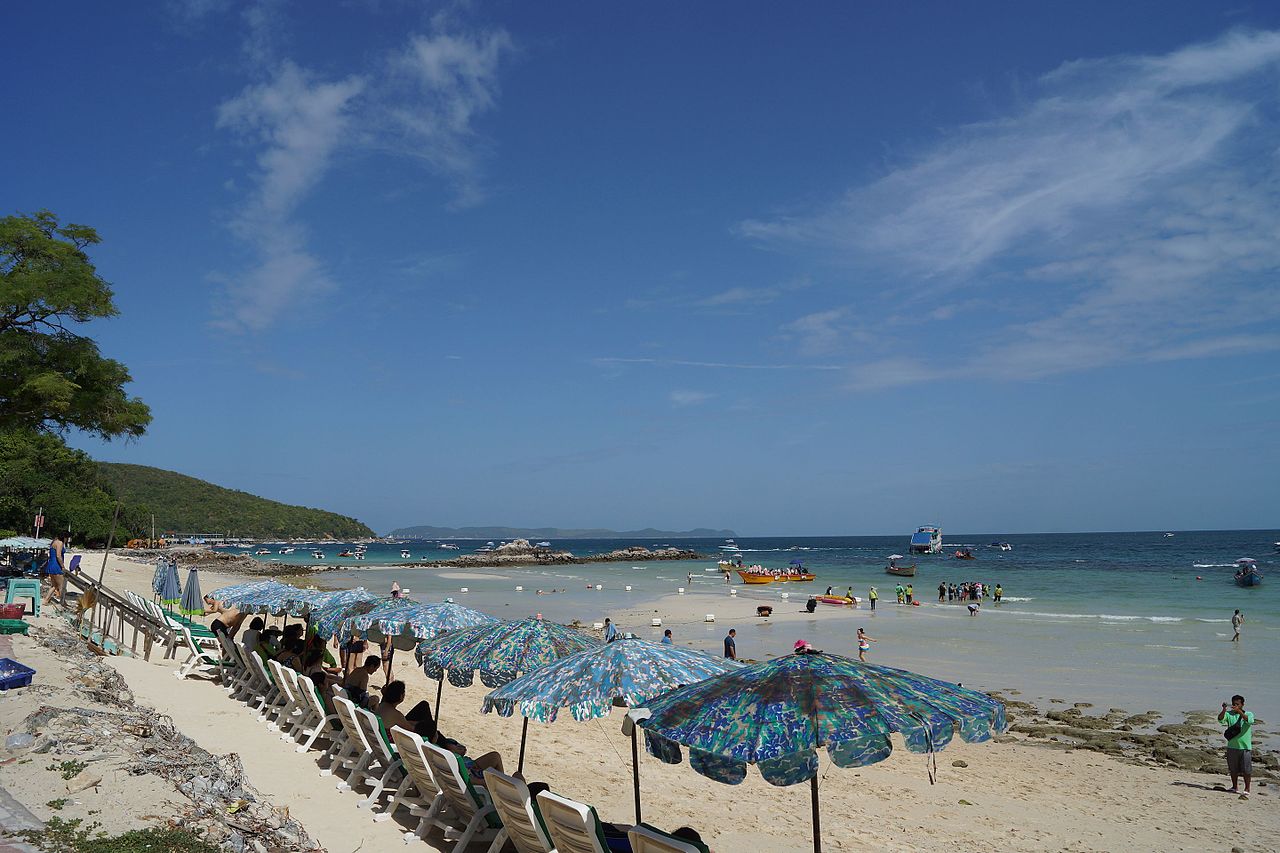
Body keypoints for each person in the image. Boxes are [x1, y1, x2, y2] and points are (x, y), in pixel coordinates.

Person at [1218, 694, 1253, 798]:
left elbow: (1249, 720)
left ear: (1242, 704)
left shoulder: (1248, 714)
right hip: (1232, 746)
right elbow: (1220, 719)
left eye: (1238, 704)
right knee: (1233, 769)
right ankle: (1234, 787)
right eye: (1234, 704)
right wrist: (1224, 709)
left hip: (1245, 747)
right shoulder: (1229, 714)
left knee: (1246, 770)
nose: (1235, 706)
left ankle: (1247, 788)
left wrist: (1239, 712)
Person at [41, 534, 66, 605]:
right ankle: (63, 602)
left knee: (54, 585)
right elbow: (58, 555)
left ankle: (46, 600)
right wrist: (63, 566)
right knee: (61, 585)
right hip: (56, 566)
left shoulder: (54, 541)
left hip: (51, 565)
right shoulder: (60, 543)